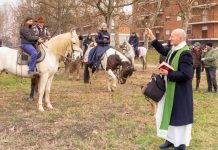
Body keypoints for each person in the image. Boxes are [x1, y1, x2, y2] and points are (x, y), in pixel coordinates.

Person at [146, 28, 194, 150]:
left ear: (181, 38)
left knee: (178, 118)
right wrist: (152, 37)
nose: (170, 38)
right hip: (170, 90)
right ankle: (170, 139)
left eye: (173, 36)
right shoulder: (173, 49)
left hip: (179, 92)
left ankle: (180, 143)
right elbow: (162, 50)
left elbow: (187, 75)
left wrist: (169, 74)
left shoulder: (185, 53)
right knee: (170, 116)